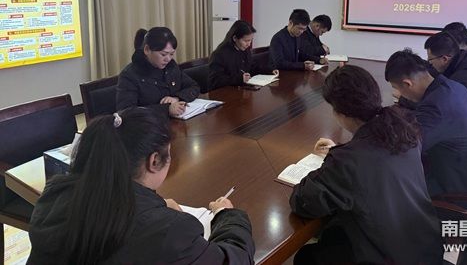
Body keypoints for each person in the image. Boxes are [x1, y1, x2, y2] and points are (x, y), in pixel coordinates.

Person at [27, 107, 255, 264]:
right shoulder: (170, 230)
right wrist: (226, 214)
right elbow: (234, 259)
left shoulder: (55, 194)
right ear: (154, 161)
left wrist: (155, 210)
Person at [290, 65, 443, 265]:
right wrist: (343, 151)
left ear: (342, 113)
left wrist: (337, 159)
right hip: (425, 246)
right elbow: (374, 161)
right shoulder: (405, 128)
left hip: (390, 257)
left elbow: (303, 202)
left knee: (307, 256)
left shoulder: (347, 161)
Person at [384, 49, 467, 197]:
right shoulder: (451, 86)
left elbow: (407, 147)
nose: (398, 94)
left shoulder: (436, 106)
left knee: (388, 184)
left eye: (397, 89)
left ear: (407, 83)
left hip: (462, 186)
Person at [116, 27, 200, 118]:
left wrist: (176, 98)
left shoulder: (171, 66)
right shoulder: (129, 75)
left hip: (177, 121)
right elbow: (126, 112)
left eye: (171, 54)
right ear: (147, 50)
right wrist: (166, 109)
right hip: (150, 125)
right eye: (163, 54)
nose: (168, 59)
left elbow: (193, 86)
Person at [208, 20, 279, 90]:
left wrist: (269, 71)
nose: (249, 44)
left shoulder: (244, 50)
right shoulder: (219, 54)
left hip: (240, 90)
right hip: (224, 93)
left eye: (250, 40)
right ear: (235, 38)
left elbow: (252, 67)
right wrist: (239, 79)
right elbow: (215, 81)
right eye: (246, 41)